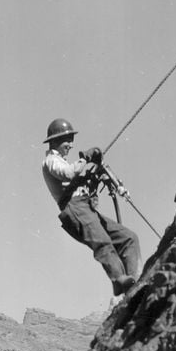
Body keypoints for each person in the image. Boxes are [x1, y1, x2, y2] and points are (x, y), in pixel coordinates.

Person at [41, 118, 141, 296]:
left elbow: (77, 174)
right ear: (55, 141)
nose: (71, 145)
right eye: (67, 140)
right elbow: (69, 173)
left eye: (72, 140)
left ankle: (135, 283)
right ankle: (119, 279)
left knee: (129, 238)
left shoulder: (62, 161)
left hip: (86, 208)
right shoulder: (51, 161)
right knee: (102, 242)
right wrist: (85, 158)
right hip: (74, 208)